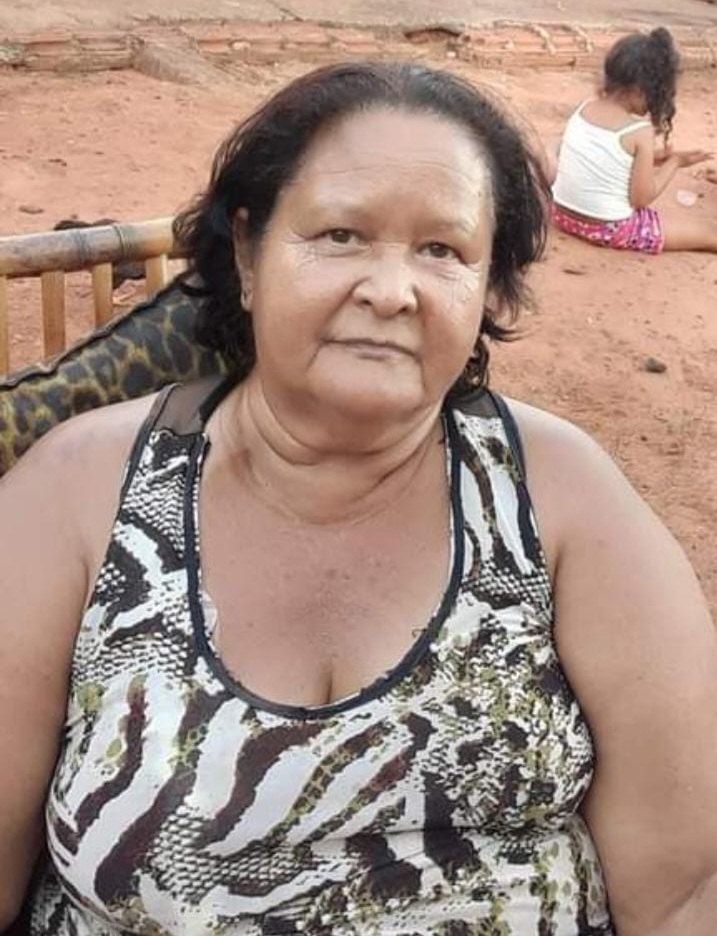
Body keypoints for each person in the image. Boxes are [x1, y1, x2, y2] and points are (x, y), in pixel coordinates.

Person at [1, 61, 717, 936]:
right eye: (340, 235)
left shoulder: (563, 501)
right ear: (247, 254)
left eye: (441, 250)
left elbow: (683, 892)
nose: (390, 290)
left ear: (489, 286)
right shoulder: (79, 495)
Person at [551, 27, 717, 253]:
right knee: (708, 235)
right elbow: (642, 199)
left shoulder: (584, 108)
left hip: (562, 216)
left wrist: (653, 159)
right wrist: (674, 163)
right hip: (608, 228)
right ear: (638, 91)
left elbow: (605, 159)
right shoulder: (639, 132)